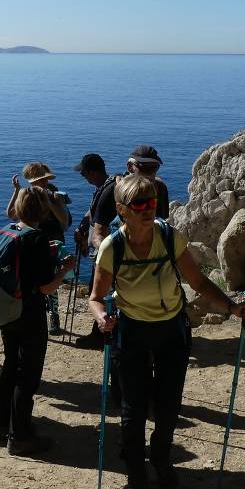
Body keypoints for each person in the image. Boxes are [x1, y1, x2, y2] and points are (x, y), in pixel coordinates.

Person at [88, 174, 245, 489]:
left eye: (152, 202)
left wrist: (232, 307)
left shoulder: (168, 236)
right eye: (140, 204)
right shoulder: (112, 247)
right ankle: (136, 474)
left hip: (171, 329)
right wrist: (101, 317)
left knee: (168, 404)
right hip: (131, 330)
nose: (149, 209)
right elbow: (95, 297)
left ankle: (162, 460)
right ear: (122, 209)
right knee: (134, 408)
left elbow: (197, 280)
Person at [0, 186, 77, 455]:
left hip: (6, 310)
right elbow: (45, 287)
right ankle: (19, 437)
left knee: (10, 365)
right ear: (43, 211)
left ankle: (3, 422)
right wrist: (64, 270)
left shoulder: (6, 232)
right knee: (27, 374)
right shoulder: (37, 239)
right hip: (29, 313)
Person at [75, 145, 170, 349]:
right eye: (143, 168)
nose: (149, 173)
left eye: (153, 168)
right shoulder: (114, 189)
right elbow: (98, 232)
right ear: (130, 166)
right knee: (102, 294)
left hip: (149, 256)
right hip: (116, 257)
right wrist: (114, 259)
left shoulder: (159, 189)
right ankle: (101, 334)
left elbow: (162, 224)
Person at [6, 162, 71, 335]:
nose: (41, 184)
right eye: (38, 181)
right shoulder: (27, 195)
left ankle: (54, 314)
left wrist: (48, 201)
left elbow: (64, 222)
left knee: (51, 278)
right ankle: (36, 312)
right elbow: (11, 214)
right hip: (33, 242)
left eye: (43, 180)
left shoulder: (55, 196)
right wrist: (16, 191)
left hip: (53, 241)